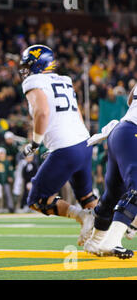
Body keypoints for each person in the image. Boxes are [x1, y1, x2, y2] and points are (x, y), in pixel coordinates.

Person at [19, 44, 97, 246]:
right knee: (87, 196)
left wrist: (36, 143)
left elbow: (42, 112)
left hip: (66, 147)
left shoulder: (34, 81)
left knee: (37, 200)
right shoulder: (65, 80)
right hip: (83, 141)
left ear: (37, 64)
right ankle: (103, 239)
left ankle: (82, 217)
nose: (25, 69)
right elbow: (77, 114)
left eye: (28, 64)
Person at [83, 84, 137, 259]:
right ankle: (112, 240)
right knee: (135, 189)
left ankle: (95, 241)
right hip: (132, 133)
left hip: (120, 131)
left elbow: (131, 100)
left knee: (113, 194)